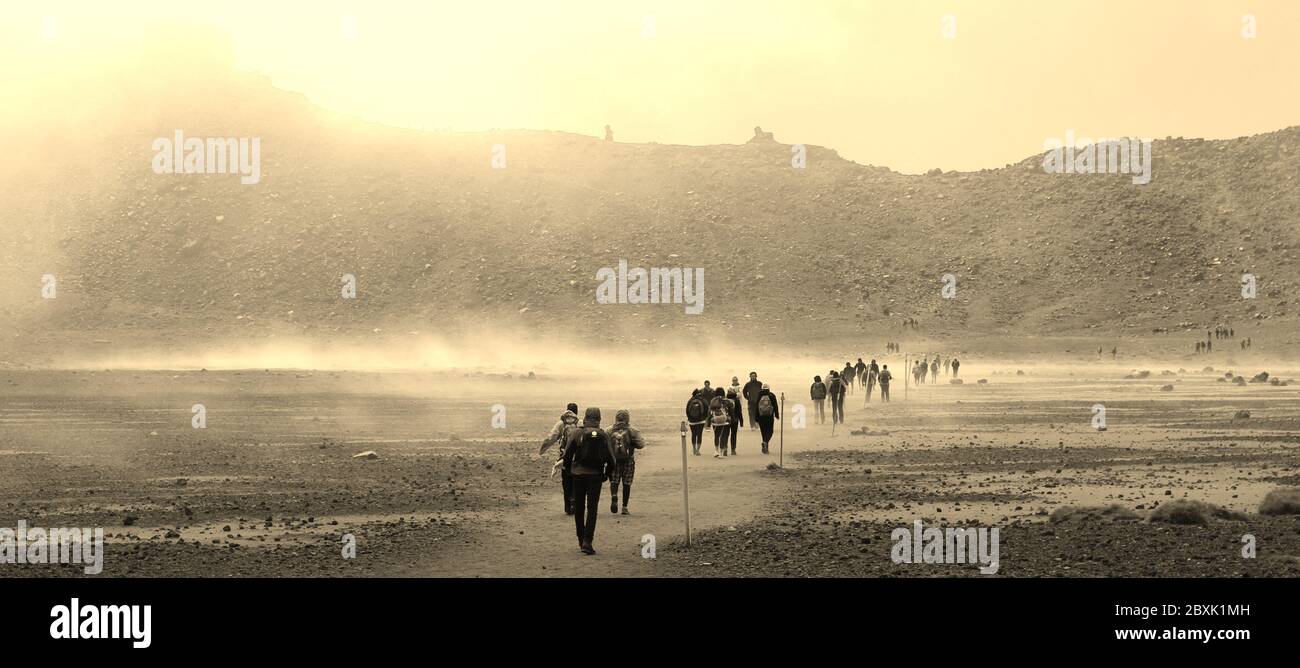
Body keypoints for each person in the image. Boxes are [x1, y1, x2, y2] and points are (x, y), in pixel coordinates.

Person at [562, 407, 619, 555]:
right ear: (599, 419)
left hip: (578, 475)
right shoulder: (604, 435)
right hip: (595, 476)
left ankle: (581, 539)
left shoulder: (577, 433)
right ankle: (588, 541)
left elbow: (567, 456)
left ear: (585, 418)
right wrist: (607, 474)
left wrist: (569, 471)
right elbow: (612, 460)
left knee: (579, 508)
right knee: (592, 508)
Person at [539, 403, 581, 515]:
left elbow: (551, 438)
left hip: (565, 457)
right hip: (578, 458)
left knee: (566, 481)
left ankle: (568, 506)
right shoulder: (580, 423)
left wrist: (542, 450)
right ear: (577, 411)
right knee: (576, 480)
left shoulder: (561, 424)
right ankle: (575, 502)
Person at [606, 409, 644, 515]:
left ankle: (614, 495)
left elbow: (604, 443)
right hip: (628, 460)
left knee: (614, 481)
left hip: (614, 460)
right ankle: (624, 507)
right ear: (628, 418)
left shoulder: (609, 430)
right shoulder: (632, 430)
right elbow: (641, 444)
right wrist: (632, 444)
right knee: (627, 483)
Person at [754, 383, 779, 454]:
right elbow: (775, 406)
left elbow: (756, 407)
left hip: (761, 417)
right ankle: (765, 443)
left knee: (763, 432)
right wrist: (777, 415)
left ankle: (765, 448)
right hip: (769, 417)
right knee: (770, 431)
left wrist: (756, 418)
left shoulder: (759, 396)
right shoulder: (771, 395)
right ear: (769, 388)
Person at [709, 387, 733, 458]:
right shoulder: (727, 401)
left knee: (716, 435)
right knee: (724, 436)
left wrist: (709, 421)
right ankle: (722, 452)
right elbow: (731, 411)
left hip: (715, 420)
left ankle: (716, 450)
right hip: (725, 421)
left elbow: (710, 411)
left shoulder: (713, 400)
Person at [685, 390, 708, 455]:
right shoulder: (703, 400)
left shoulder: (690, 400)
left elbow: (687, 411)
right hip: (701, 421)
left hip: (692, 421)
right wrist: (705, 419)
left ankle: (694, 449)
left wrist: (690, 418)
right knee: (699, 435)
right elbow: (706, 410)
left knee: (693, 434)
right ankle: (698, 450)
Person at [726, 388, 744, 455]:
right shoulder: (736, 400)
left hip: (726, 420)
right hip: (735, 420)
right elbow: (739, 412)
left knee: (726, 434)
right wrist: (741, 421)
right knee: (733, 435)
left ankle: (725, 448)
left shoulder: (725, 400)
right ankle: (733, 450)